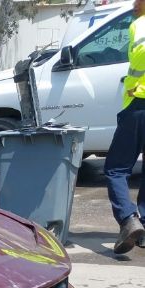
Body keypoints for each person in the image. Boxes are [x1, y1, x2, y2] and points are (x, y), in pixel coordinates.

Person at [105, 0, 145, 254]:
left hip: (139, 102)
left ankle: (128, 218)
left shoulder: (141, 24)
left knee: (115, 168)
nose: (134, 4)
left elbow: (141, 52)